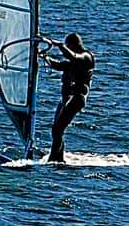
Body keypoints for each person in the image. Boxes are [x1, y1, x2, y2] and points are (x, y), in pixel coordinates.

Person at [40, 32, 95, 164]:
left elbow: (74, 57)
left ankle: (55, 159)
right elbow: (58, 65)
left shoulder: (86, 57)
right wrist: (43, 57)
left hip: (77, 99)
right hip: (66, 99)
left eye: (68, 46)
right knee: (56, 129)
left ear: (74, 45)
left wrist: (59, 46)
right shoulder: (72, 62)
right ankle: (58, 157)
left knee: (58, 129)